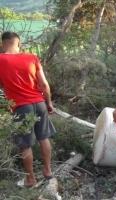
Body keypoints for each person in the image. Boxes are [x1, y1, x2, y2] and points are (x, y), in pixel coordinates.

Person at [0, 32, 56, 187]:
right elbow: (44, 85)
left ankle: (30, 179)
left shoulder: (0, 60)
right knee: (43, 138)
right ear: (18, 43)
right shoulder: (32, 57)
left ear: (3, 43)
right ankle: (48, 171)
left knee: (25, 145)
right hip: (39, 103)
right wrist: (49, 102)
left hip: (21, 107)